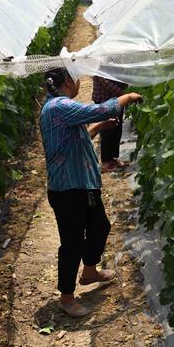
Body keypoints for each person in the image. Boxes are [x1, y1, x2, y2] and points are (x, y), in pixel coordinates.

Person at [41, 67, 143, 317]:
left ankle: (89, 272)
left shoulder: (57, 107)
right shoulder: (58, 106)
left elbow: (79, 138)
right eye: (77, 78)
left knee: (100, 226)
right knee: (72, 242)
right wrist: (128, 97)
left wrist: (99, 127)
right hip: (67, 188)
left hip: (82, 183)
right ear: (68, 81)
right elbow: (101, 108)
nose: (80, 82)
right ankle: (66, 298)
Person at [92, 76, 129, 172]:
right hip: (104, 99)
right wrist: (125, 94)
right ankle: (106, 162)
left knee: (116, 128)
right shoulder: (99, 69)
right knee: (107, 131)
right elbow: (105, 82)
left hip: (116, 98)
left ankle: (113, 159)